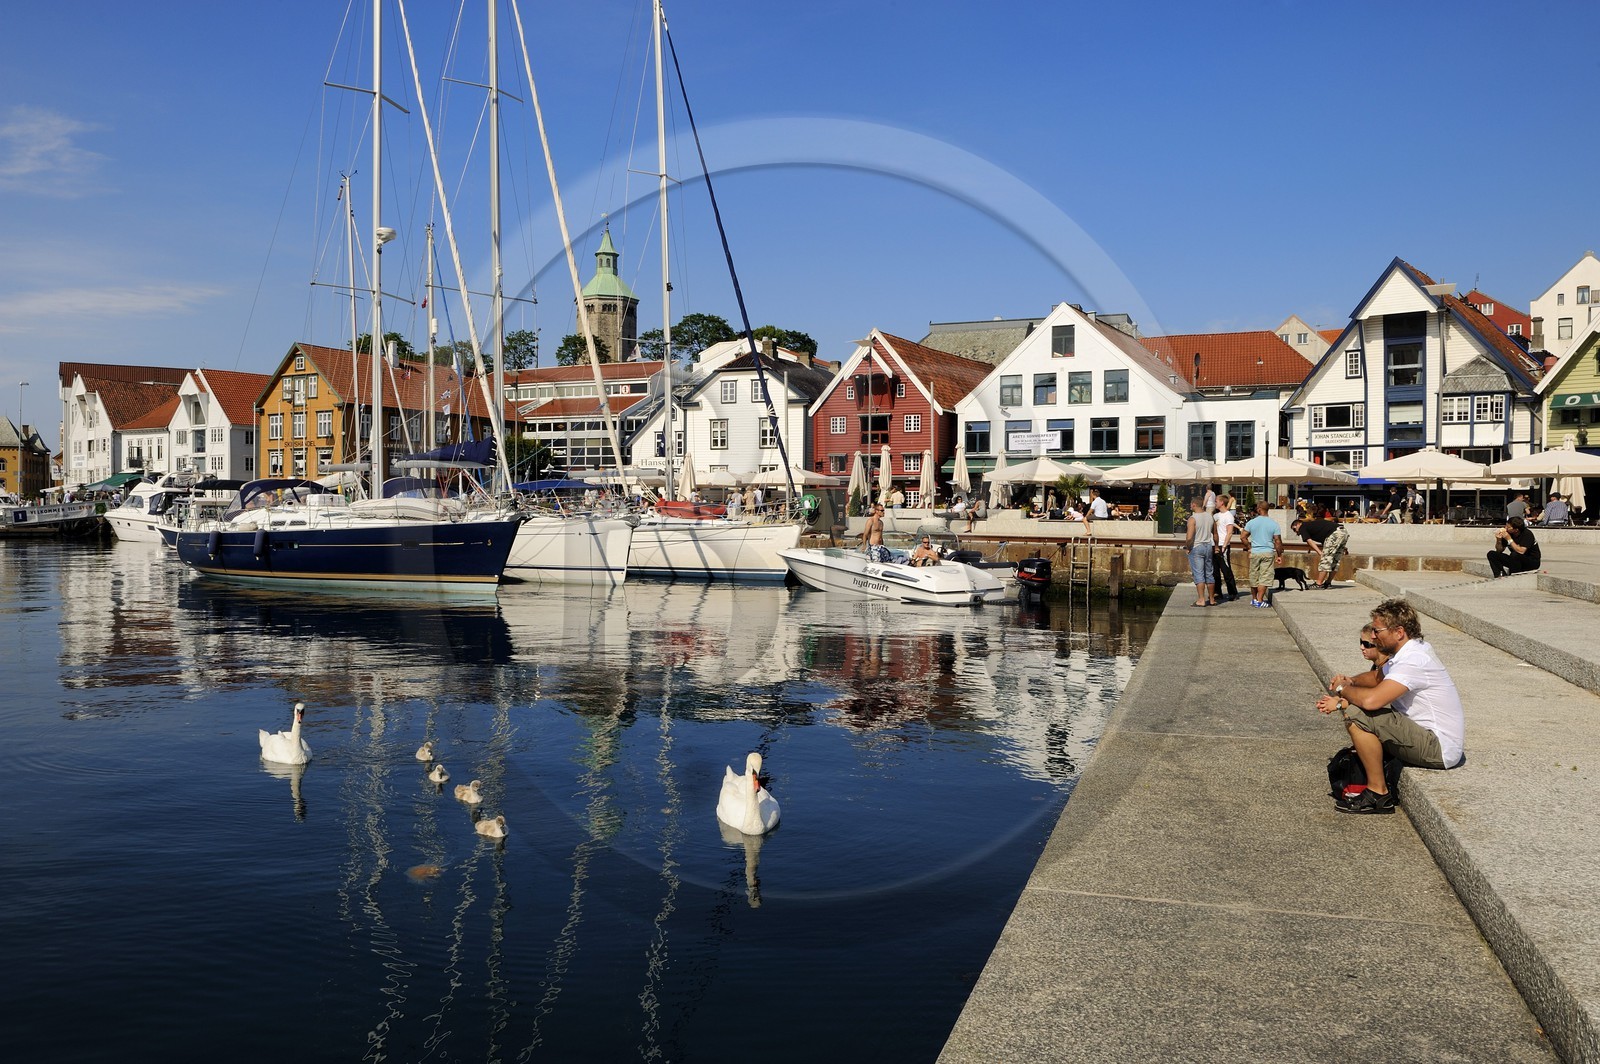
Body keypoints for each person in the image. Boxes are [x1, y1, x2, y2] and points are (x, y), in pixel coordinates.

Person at [1316, 597, 1466, 813]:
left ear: (1399, 632)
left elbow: (1371, 701)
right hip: (1427, 736)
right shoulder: (1410, 651)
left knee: (1357, 711)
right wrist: (1352, 681)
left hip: (1438, 747)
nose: (1373, 636)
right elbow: (1377, 677)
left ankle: (1378, 793)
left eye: (1377, 631)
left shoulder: (1414, 660)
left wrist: (1342, 689)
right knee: (1359, 706)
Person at [1241, 500, 1283, 608]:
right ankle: (1260, 600)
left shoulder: (1252, 522)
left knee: (1254, 576)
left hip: (1255, 552)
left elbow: (1243, 537)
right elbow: (1278, 541)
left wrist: (1249, 548)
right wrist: (1279, 555)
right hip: (1268, 553)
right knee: (1265, 577)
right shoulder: (1274, 524)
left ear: (1259, 509)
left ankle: (1254, 599)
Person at [1184, 496, 1215, 606]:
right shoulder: (1210, 517)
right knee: (1209, 573)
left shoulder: (1193, 519)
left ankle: (1201, 600)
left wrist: (1188, 548)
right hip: (1208, 546)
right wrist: (1216, 547)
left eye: (1191, 504)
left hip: (1197, 546)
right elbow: (1215, 534)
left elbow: (1189, 538)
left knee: (1199, 574)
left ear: (1193, 505)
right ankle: (1212, 599)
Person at [1312, 508, 1349, 589]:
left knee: (1326, 559)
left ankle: (1319, 583)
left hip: (1335, 534)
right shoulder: (1323, 525)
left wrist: (1319, 552)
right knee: (1335, 560)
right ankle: (1328, 582)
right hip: (1343, 532)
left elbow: (1309, 541)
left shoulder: (1305, 527)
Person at [1212, 494, 1239, 602]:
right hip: (1214, 544)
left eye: (1216, 501)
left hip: (1223, 545)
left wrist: (1224, 546)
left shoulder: (1228, 516)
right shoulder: (1216, 516)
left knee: (1226, 570)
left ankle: (1233, 592)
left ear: (1222, 502)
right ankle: (1217, 592)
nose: (1215, 503)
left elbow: (1229, 532)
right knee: (1215, 571)